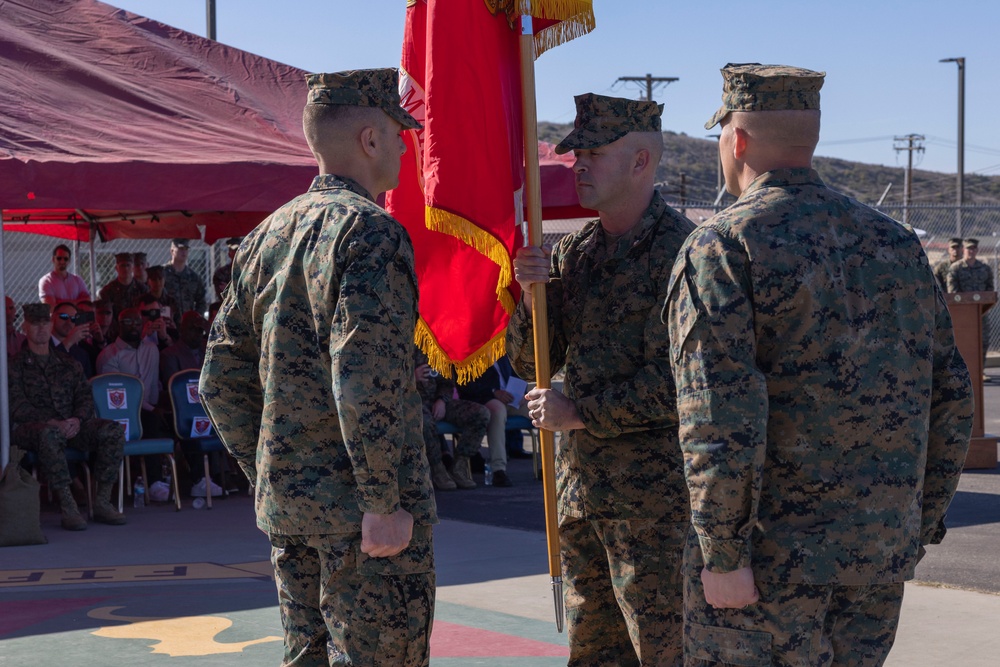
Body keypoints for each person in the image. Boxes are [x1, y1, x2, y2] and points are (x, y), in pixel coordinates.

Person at [665, 63, 974, 666]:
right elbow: (952, 397)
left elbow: (717, 412)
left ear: (737, 139)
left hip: (768, 560)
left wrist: (723, 553)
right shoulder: (894, 242)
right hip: (876, 551)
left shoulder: (725, 244)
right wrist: (915, 522)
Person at [199, 68, 435, 666]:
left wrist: (273, 474)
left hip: (293, 511)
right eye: (397, 133)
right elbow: (365, 376)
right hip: (362, 518)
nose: (406, 147)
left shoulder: (266, 235)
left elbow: (219, 377)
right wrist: (383, 499)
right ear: (369, 140)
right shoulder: (372, 233)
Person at [507, 93, 695, 666]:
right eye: (574, 153)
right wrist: (530, 297)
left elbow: (689, 382)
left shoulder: (687, 254)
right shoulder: (575, 254)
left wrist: (581, 411)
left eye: (592, 152)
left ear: (641, 162)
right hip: (582, 496)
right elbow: (527, 362)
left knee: (666, 654)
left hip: (656, 509)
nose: (577, 164)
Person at [8, 303, 126, 530]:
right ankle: (68, 505)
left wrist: (77, 420)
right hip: (33, 430)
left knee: (111, 430)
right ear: (25, 327)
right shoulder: (15, 366)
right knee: (49, 434)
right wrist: (52, 422)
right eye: (35, 324)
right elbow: (17, 406)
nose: (41, 329)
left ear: (51, 325)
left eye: (44, 324)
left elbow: (84, 397)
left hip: (72, 427)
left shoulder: (68, 362)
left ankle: (102, 501)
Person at [415, 349, 490, 491]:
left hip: (436, 401)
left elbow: (446, 383)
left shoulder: (435, 348)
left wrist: (442, 400)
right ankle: (438, 469)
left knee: (480, 414)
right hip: (412, 402)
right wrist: (412, 377)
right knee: (423, 421)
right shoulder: (401, 344)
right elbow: (388, 380)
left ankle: (459, 466)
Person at [456, 359, 524, 486]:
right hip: (485, 398)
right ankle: (499, 470)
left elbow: (517, 373)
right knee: (498, 411)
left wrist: (522, 393)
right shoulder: (472, 352)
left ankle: (546, 466)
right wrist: (493, 392)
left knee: (541, 406)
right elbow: (467, 385)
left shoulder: (501, 350)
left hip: (511, 399)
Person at [162, 238, 206, 317]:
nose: (184, 252)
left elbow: (201, 301)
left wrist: (196, 317)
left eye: (186, 249)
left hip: (188, 323)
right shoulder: (163, 274)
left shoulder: (194, 277)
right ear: (172, 251)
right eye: (181, 249)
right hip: (168, 323)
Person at [99, 252, 148, 321]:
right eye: (122, 265)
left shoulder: (142, 289)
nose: (125, 269)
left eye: (128, 265)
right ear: (116, 268)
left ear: (133, 267)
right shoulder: (108, 291)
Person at [50, 301, 94, 378]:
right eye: (64, 316)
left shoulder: (81, 353)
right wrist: (68, 342)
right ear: (53, 317)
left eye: (74, 319)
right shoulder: (39, 343)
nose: (69, 322)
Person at [160, 311, 208, 381]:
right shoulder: (169, 355)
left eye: (200, 329)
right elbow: (174, 387)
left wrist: (211, 331)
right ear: (181, 329)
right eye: (192, 328)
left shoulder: (209, 349)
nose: (197, 333)